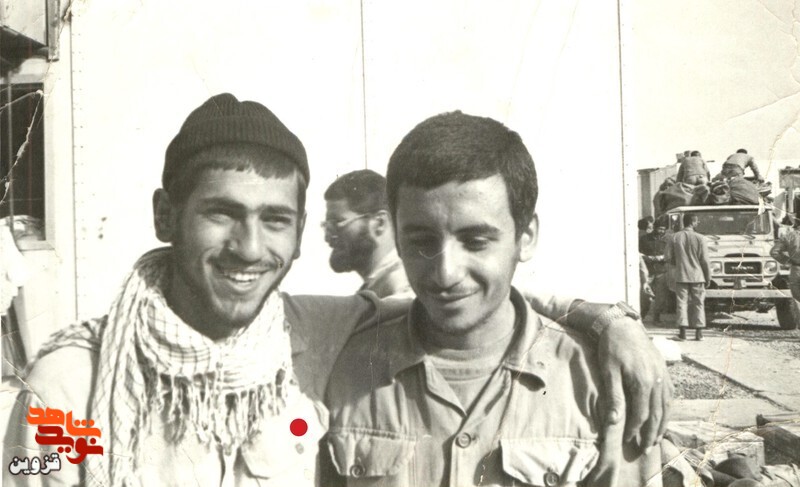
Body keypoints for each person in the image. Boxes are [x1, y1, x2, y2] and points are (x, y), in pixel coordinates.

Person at [3, 95, 670, 487]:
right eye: (221, 213)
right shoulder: (74, 388)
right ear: (164, 214)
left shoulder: (310, 340)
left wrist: (607, 320)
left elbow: (463, 299)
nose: (249, 247)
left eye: (275, 220)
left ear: (300, 236)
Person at [324, 112, 668, 486]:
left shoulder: (600, 383)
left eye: (476, 241)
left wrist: (614, 321)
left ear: (526, 236)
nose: (446, 272)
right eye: (421, 241)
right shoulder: (342, 371)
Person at [323, 170, 411, 297]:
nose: (327, 238)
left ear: (379, 223)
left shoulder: (401, 290)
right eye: (327, 227)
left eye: (337, 223)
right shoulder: (379, 287)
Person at [665, 213, 711, 341]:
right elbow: (705, 260)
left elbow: (668, 257)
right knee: (699, 303)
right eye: (696, 221)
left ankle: (682, 334)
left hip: (681, 275)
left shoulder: (674, 237)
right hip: (698, 276)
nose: (697, 223)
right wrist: (708, 277)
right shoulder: (701, 238)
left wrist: (679, 262)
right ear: (693, 222)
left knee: (681, 303)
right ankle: (699, 334)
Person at [640, 219, 671, 324]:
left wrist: (662, 257)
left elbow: (671, 254)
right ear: (655, 228)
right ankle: (641, 317)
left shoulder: (668, 240)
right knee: (645, 296)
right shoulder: (644, 239)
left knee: (660, 297)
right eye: (660, 229)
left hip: (661, 271)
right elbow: (638, 252)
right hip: (647, 272)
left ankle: (656, 318)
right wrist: (647, 257)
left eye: (663, 229)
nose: (662, 231)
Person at [770, 213, 800, 309]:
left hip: (796, 269)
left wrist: (788, 261)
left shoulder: (789, 236)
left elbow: (774, 252)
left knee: (797, 299)